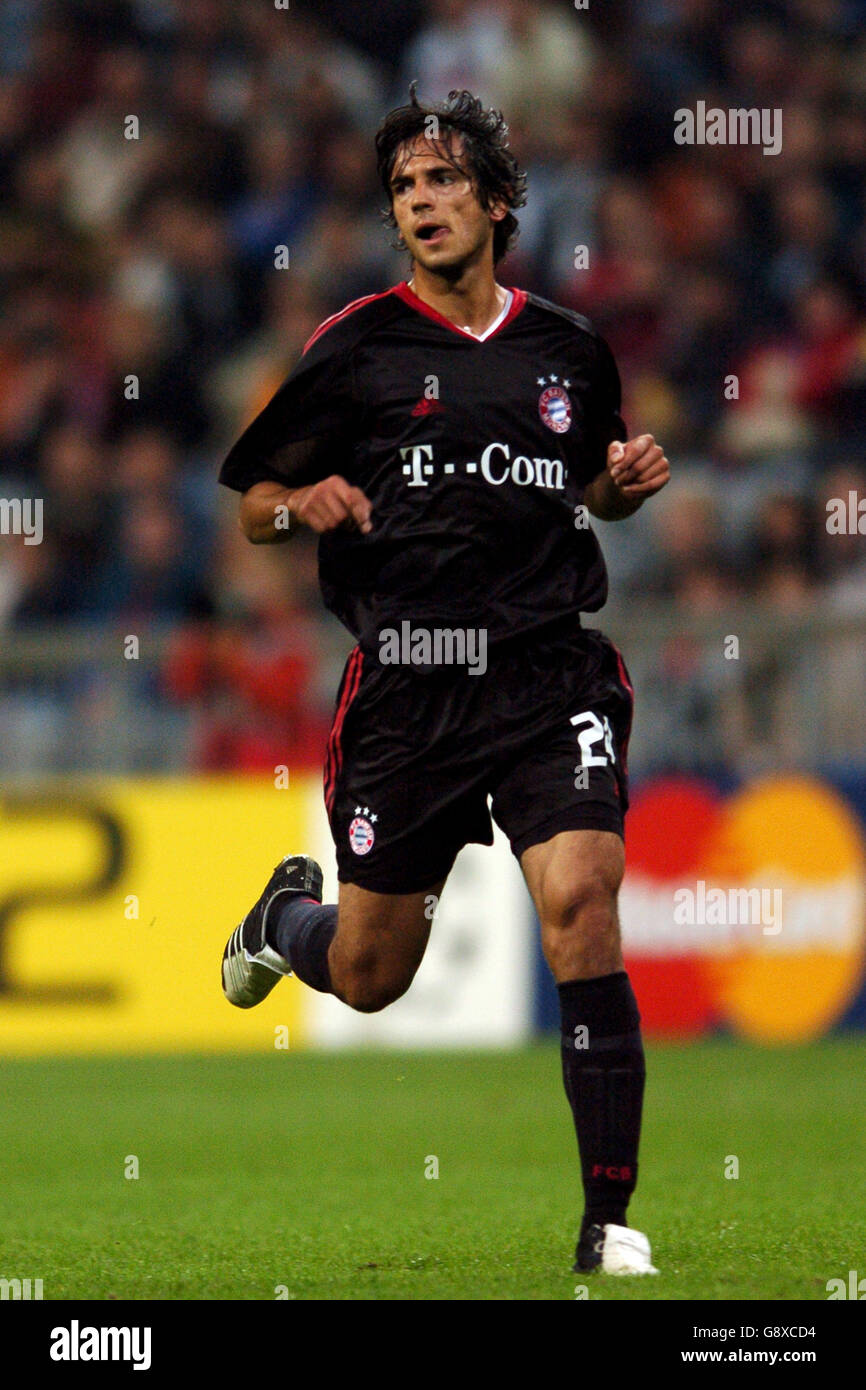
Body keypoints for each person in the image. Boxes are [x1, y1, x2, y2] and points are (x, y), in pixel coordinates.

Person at [218, 86, 670, 1276]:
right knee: (370, 975)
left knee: (581, 897)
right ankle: (282, 919)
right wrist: (297, 505)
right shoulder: (355, 347)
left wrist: (620, 484)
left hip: (543, 670)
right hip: (410, 691)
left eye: (440, 181)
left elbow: (591, 491)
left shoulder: (565, 349)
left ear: (496, 201)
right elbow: (255, 501)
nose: (418, 202)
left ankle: (605, 1221)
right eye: (402, 189)